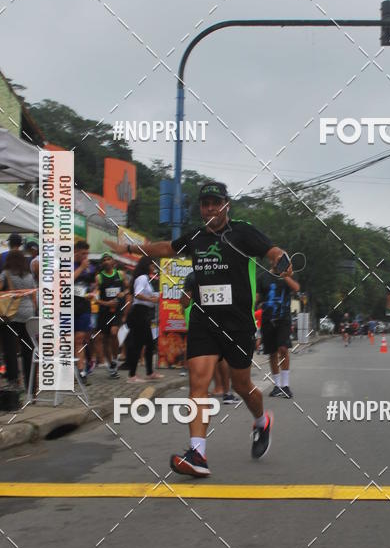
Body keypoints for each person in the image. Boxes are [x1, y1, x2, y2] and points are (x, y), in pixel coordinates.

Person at [106, 181, 292, 477]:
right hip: (204, 320)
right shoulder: (195, 236)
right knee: (198, 383)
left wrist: (280, 259)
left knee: (242, 385)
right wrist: (129, 248)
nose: (209, 208)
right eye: (205, 203)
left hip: (238, 323)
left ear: (226, 205)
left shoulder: (242, 231)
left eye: (215, 203)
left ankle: (261, 421)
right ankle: (198, 453)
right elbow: (166, 248)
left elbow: (271, 251)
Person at [0, 248, 36, 392]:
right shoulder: (29, 276)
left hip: (11, 315)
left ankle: (13, 382)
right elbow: (34, 298)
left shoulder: (6, 273)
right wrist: (31, 311)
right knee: (28, 349)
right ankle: (31, 385)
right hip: (28, 315)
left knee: (9, 348)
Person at [256, 256, 299, 398]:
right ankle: (277, 385)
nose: (279, 263)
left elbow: (297, 288)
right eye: (277, 260)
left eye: (282, 261)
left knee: (283, 348)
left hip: (284, 319)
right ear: (271, 261)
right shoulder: (262, 277)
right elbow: (257, 298)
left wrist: (285, 276)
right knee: (272, 353)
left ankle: (285, 385)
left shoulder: (288, 276)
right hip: (268, 320)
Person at [125, 256, 162, 383]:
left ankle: (150, 372)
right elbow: (138, 294)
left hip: (143, 313)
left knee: (149, 343)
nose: (153, 267)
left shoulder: (144, 278)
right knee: (138, 344)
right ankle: (132, 375)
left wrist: (153, 296)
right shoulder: (142, 278)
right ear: (147, 265)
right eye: (152, 264)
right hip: (139, 313)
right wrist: (151, 299)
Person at [96, 253, 128, 378]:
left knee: (114, 334)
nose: (107, 261)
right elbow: (95, 296)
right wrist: (105, 303)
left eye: (109, 259)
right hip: (104, 310)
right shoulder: (99, 278)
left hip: (117, 310)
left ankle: (115, 359)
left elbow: (128, 289)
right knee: (105, 339)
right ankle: (111, 366)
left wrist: (123, 293)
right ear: (102, 264)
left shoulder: (120, 274)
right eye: (104, 260)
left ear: (113, 261)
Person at [74, 240, 96, 385]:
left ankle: (82, 372)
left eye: (87, 254)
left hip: (84, 307)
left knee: (80, 339)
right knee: (68, 340)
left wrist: (93, 292)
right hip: (68, 306)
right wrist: (81, 268)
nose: (85, 256)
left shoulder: (91, 267)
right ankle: (72, 371)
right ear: (75, 252)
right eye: (83, 254)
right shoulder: (68, 264)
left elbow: (94, 285)